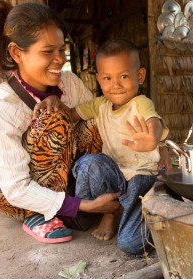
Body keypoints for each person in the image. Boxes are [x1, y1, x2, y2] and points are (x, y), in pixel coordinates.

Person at [0, 1, 123, 244]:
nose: (60, 59)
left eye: (61, 50)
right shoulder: (1, 107)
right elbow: (16, 188)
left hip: (60, 174)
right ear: (17, 53)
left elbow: (99, 129)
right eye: (48, 52)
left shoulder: (69, 83)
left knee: (96, 118)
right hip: (11, 193)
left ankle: (70, 202)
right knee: (53, 119)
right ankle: (39, 214)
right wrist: (87, 206)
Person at [68, 39, 169, 255]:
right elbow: (71, 115)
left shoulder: (140, 103)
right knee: (88, 163)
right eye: (107, 78)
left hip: (142, 178)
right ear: (99, 80)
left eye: (124, 76)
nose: (116, 84)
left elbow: (155, 122)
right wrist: (52, 102)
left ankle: (159, 212)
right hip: (113, 176)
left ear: (139, 76)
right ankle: (110, 213)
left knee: (131, 245)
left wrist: (152, 139)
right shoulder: (99, 104)